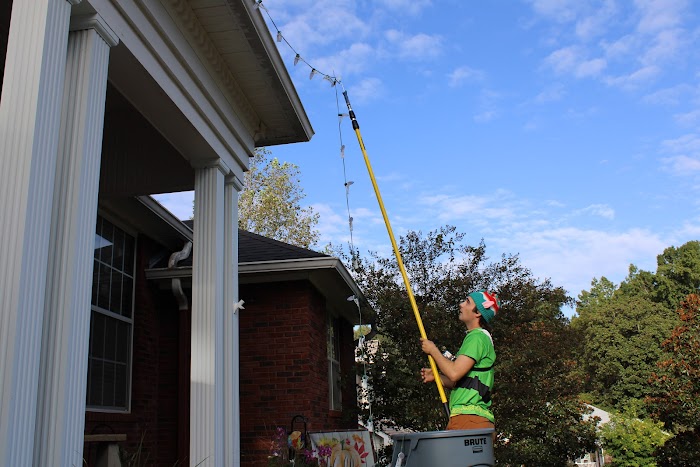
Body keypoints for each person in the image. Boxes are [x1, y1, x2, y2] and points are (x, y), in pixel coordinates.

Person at [420, 289, 499, 432]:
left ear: (478, 312)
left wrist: (433, 350)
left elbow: (454, 373)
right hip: (472, 419)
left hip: (468, 419)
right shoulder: (479, 338)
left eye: (467, 302)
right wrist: (436, 376)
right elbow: (459, 381)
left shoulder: (477, 338)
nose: (461, 304)